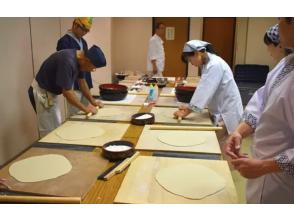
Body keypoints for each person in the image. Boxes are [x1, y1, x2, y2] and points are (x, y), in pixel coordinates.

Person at [225, 18, 294, 203]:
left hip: (285, 185)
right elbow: (262, 102)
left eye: (283, 19)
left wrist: (266, 166)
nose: (278, 23)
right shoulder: (286, 64)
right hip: (263, 171)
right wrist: (239, 131)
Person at [174, 40, 243, 147]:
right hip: (221, 108)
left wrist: (186, 112)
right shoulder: (208, 63)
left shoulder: (214, 65)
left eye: (190, 60)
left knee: (225, 150)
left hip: (227, 113)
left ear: (197, 53)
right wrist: (189, 106)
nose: (191, 63)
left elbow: (204, 91)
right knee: (221, 147)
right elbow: (205, 89)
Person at [28, 45, 106, 137]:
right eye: (93, 68)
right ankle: (49, 150)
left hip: (50, 93)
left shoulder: (80, 60)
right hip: (42, 93)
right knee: (49, 131)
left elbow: (82, 82)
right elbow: (67, 92)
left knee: (55, 126)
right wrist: (85, 109)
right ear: (87, 60)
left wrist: (93, 101)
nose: (92, 70)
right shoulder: (67, 61)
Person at [57, 17, 94, 116]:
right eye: (83, 29)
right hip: (73, 87)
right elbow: (66, 68)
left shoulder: (84, 42)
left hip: (85, 83)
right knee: (75, 116)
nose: (85, 32)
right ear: (75, 24)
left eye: (87, 31)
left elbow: (85, 65)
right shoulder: (64, 42)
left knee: (87, 115)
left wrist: (92, 100)